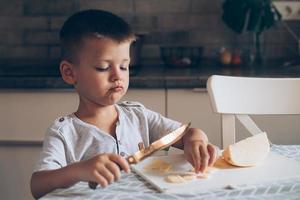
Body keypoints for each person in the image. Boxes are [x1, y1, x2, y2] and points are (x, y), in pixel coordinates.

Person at [30, 9, 218, 199]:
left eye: (124, 66)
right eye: (103, 67)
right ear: (69, 73)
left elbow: (186, 134)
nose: (117, 76)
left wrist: (196, 140)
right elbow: (38, 186)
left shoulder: (138, 116)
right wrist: (79, 170)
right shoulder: (64, 132)